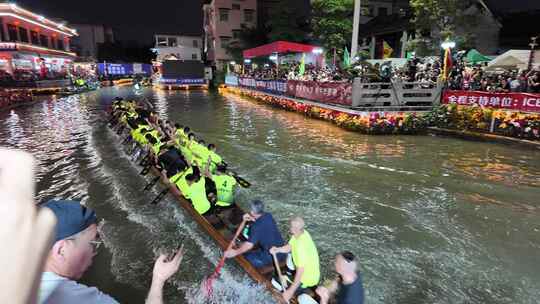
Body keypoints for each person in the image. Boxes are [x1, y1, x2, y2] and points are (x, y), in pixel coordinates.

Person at [38, 200, 184, 304]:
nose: (94, 252)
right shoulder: (73, 298)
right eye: (92, 244)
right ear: (61, 250)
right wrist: (158, 279)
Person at [270, 217, 320, 302]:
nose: (289, 227)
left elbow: (300, 272)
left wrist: (290, 291)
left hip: (306, 280)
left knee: (275, 281)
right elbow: (290, 246)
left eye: (290, 226)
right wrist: (277, 250)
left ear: (295, 229)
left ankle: (287, 297)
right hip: (312, 276)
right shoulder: (302, 234)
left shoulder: (301, 247)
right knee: (284, 277)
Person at [224, 200, 286, 268]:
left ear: (252, 212)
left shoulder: (256, 227)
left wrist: (235, 252)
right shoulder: (268, 215)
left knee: (246, 257)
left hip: (272, 255)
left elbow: (249, 245)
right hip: (282, 251)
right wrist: (252, 218)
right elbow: (261, 222)